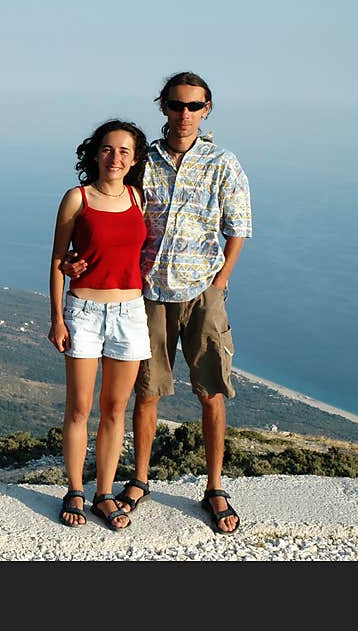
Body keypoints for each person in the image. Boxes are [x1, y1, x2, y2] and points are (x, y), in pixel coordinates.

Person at [62, 72, 252, 534]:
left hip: (202, 291)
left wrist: (220, 282)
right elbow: (109, 206)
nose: (183, 114)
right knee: (146, 393)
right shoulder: (142, 161)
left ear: (207, 110)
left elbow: (239, 226)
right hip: (145, 294)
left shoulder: (223, 162)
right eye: (175, 105)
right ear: (163, 107)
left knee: (210, 391)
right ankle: (140, 480)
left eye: (193, 106)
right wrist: (80, 256)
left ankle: (214, 487)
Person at [48, 119, 151, 531]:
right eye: (108, 149)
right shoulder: (77, 199)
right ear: (95, 153)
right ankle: (74, 489)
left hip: (130, 313)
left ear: (134, 159)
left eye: (124, 151)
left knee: (115, 411)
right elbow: (58, 262)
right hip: (85, 312)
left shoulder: (137, 198)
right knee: (79, 409)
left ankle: (103, 494)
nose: (115, 157)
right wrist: (57, 319)